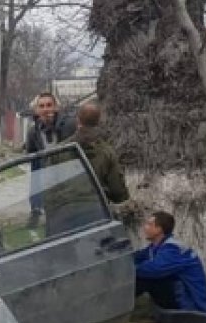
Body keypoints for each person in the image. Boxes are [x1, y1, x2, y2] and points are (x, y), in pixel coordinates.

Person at [43, 102, 130, 236]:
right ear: (99, 121)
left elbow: (48, 191)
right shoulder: (107, 153)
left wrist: (52, 219)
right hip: (96, 215)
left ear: (78, 120)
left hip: (63, 217)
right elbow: (118, 193)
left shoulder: (59, 151)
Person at [134, 211, 206, 313]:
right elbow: (134, 257)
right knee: (142, 275)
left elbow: (155, 269)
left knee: (147, 278)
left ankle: (117, 308)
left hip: (192, 304)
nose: (145, 227)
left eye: (149, 224)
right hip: (179, 297)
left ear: (159, 229)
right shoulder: (155, 248)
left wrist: (131, 269)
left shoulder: (173, 249)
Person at [25, 92, 75, 226]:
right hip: (49, 186)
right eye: (41, 106)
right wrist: (35, 203)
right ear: (36, 110)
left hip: (71, 183)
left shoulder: (69, 125)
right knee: (54, 225)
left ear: (56, 107)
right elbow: (34, 167)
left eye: (49, 105)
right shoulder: (33, 133)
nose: (46, 109)